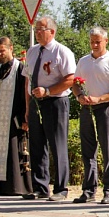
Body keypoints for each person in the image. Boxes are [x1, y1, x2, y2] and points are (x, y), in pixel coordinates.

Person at [22, 16, 76, 201]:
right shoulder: (32, 51)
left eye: (41, 29)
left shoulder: (62, 52)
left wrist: (48, 90)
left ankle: (61, 188)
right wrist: (27, 107)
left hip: (55, 102)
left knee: (57, 144)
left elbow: (70, 78)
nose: (37, 33)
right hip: (36, 102)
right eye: (36, 29)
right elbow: (27, 79)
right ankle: (40, 186)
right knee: (37, 144)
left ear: (51, 32)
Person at [71, 27, 109, 205]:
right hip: (87, 108)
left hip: (106, 107)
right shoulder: (84, 61)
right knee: (88, 150)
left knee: (107, 150)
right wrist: (79, 96)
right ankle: (88, 190)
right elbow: (75, 83)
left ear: (106, 41)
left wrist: (100, 98)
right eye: (92, 41)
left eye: (98, 42)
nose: (94, 45)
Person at [0, 36, 32, 196]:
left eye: (2, 51)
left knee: (14, 152)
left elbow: (25, 95)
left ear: (11, 49)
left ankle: (16, 187)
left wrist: (25, 117)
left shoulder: (20, 69)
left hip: (14, 117)